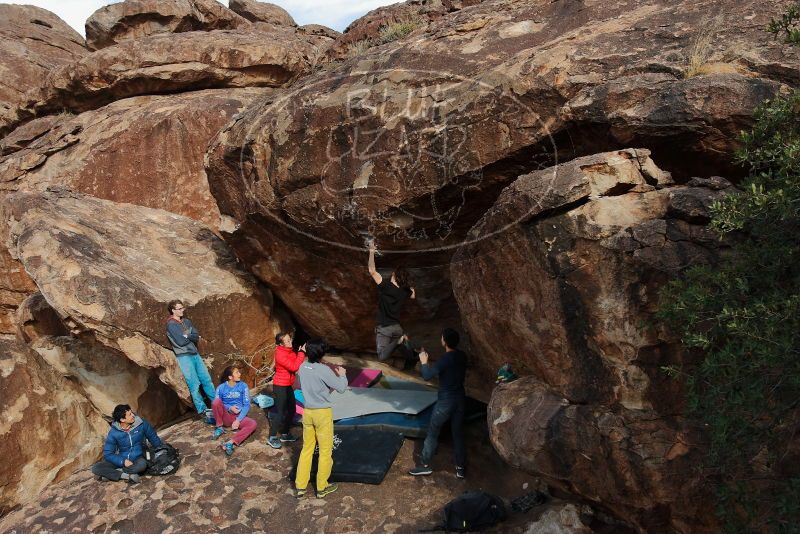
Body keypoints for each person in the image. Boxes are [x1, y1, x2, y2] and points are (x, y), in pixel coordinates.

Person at [409, 327, 467, 478]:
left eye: (442, 337)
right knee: (458, 434)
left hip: (446, 401)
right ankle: (460, 468)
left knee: (433, 431)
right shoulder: (462, 356)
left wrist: (423, 362)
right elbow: (449, 368)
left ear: (444, 341)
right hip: (460, 399)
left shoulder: (445, 360)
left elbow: (427, 375)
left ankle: (425, 465)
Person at [294, 338, 348, 499]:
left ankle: (301, 487)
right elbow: (341, 388)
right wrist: (343, 376)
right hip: (322, 413)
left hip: (308, 411)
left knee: (306, 449)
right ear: (322, 353)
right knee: (325, 451)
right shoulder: (323, 370)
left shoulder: (302, 367)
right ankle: (322, 487)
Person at [166, 299, 216, 424]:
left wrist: (187, 335)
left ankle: (217, 404)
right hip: (184, 357)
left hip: (195, 354)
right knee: (194, 385)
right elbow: (180, 341)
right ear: (173, 310)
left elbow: (196, 335)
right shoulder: (171, 324)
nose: (182, 310)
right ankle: (202, 411)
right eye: (179, 308)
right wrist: (189, 335)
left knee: (206, 380)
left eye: (182, 308)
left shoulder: (187, 321)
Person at [367, 240, 416, 365]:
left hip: (385, 328)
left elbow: (372, 270)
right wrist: (409, 286)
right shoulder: (405, 292)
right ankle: (407, 347)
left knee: (382, 356)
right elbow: (413, 295)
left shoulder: (386, 286)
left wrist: (372, 250)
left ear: (393, 275)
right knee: (407, 353)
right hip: (397, 328)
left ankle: (400, 341)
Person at [91, 404, 162, 484]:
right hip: (121, 459)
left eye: (132, 413)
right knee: (96, 468)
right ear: (122, 419)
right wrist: (123, 461)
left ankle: (110, 474)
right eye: (130, 414)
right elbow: (108, 454)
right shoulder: (114, 433)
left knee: (142, 465)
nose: (133, 415)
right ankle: (125, 476)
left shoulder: (141, 424)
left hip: (138, 458)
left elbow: (153, 438)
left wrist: (162, 449)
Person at [268, 332, 306, 450]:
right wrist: (302, 353)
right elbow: (294, 367)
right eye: (288, 341)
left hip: (287, 384)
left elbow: (295, 362)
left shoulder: (289, 351)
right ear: (281, 344)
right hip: (280, 385)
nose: (290, 342)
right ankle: (272, 437)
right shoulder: (280, 354)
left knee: (292, 409)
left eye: (290, 339)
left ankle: (285, 433)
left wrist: (298, 353)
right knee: (280, 412)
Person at [212, 365, 257, 456]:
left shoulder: (243, 386)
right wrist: (229, 407)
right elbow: (217, 404)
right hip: (226, 416)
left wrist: (238, 420)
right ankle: (219, 427)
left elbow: (247, 404)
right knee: (216, 402)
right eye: (237, 372)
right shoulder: (221, 388)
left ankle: (230, 442)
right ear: (230, 377)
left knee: (253, 424)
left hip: (239, 416)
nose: (239, 374)